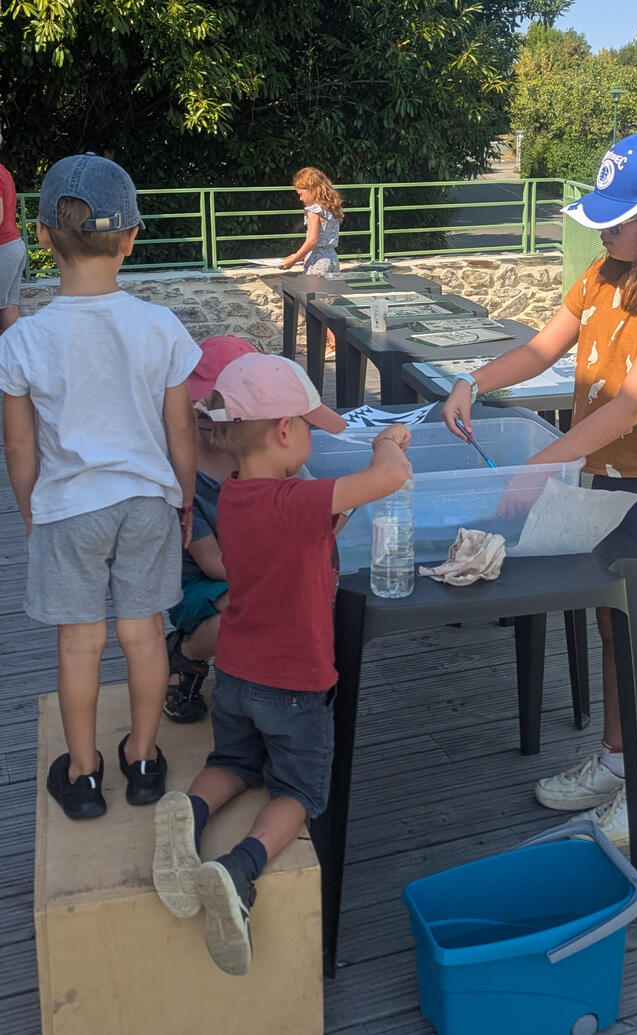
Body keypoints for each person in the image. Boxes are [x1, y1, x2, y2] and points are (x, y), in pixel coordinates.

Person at [442, 130, 637, 847]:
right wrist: (473, 380)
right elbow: (541, 347)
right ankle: (615, 761)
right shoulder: (602, 274)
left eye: (614, 219)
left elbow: (632, 403)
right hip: (603, 473)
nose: (601, 231)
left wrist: (541, 466)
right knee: (610, 624)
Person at [152, 352, 411, 976]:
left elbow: (301, 530)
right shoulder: (296, 499)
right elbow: (390, 478)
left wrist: (333, 511)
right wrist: (387, 443)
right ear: (284, 432)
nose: (313, 440)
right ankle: (240, 869)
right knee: (298, 791)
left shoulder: (237, 495)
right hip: (294, 685)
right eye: (309, 427)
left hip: (237, 674)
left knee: (233, 762)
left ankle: (188, 813)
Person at [0, 153, 199, 820]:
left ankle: (83, 774)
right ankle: (142, 759)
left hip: (69, 507)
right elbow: (181, 431)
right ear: (131, 237)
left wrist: (31, 506)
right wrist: (185, 496)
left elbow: (20, 444)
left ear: (42, 236)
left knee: (79, 644)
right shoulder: (160, 328)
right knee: (144, 635)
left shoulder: (23, 340)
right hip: (146, 501)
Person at [164, 334, 260, 723]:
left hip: (259, 567)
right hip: (202, 584)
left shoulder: (262, 452)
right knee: (245, 607)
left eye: (218, 408)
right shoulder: (184, 472)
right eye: (198, 405)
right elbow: (211, 562)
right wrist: (274, 573)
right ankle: (188, 654)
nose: (205, 416)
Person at [277, 167, 342, 274]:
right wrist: (300, 256)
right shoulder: (331, 208)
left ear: (311, 189)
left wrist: (293, 260)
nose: (300, 199)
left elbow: (312, 241)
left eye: (301, 194)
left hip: (317, 261)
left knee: (312, 290)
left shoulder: (313, 211)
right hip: (332, 258)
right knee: (329, 290)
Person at [0, 132, 28, 331]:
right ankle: (15, 357)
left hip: (3, 248)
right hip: (14, 246)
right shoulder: (4, 172)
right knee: (9, 304)